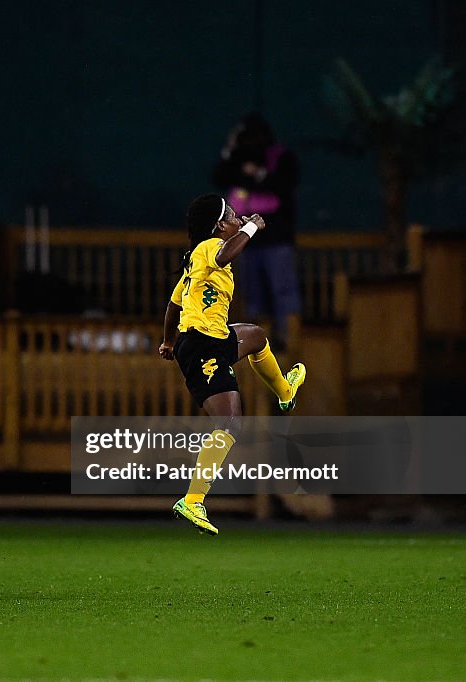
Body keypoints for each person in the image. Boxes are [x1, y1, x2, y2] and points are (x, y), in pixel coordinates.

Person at [158, 194, 307, 536]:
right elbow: (226, 252)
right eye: (234, 217)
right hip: (202, 346)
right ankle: (193, 500)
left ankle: (285, 391)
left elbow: (172, 306)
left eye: (241, 217)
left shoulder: (195, 265)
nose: (239, 220)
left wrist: (167, 341)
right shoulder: (209, 248)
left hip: (212, 338)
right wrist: (253, 227)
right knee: (229, 424)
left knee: (255, 336)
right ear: (218, 226)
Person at [211, 113, 301, 350]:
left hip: (276, 238)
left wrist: (258, 175)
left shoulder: (281, 157)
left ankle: (288, 340)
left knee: (282, 291)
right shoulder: (238, 158)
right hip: (247, 240)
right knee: (253, 295)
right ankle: (253, 344)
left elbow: (286, 183)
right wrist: (230, 147)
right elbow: (218, 176)